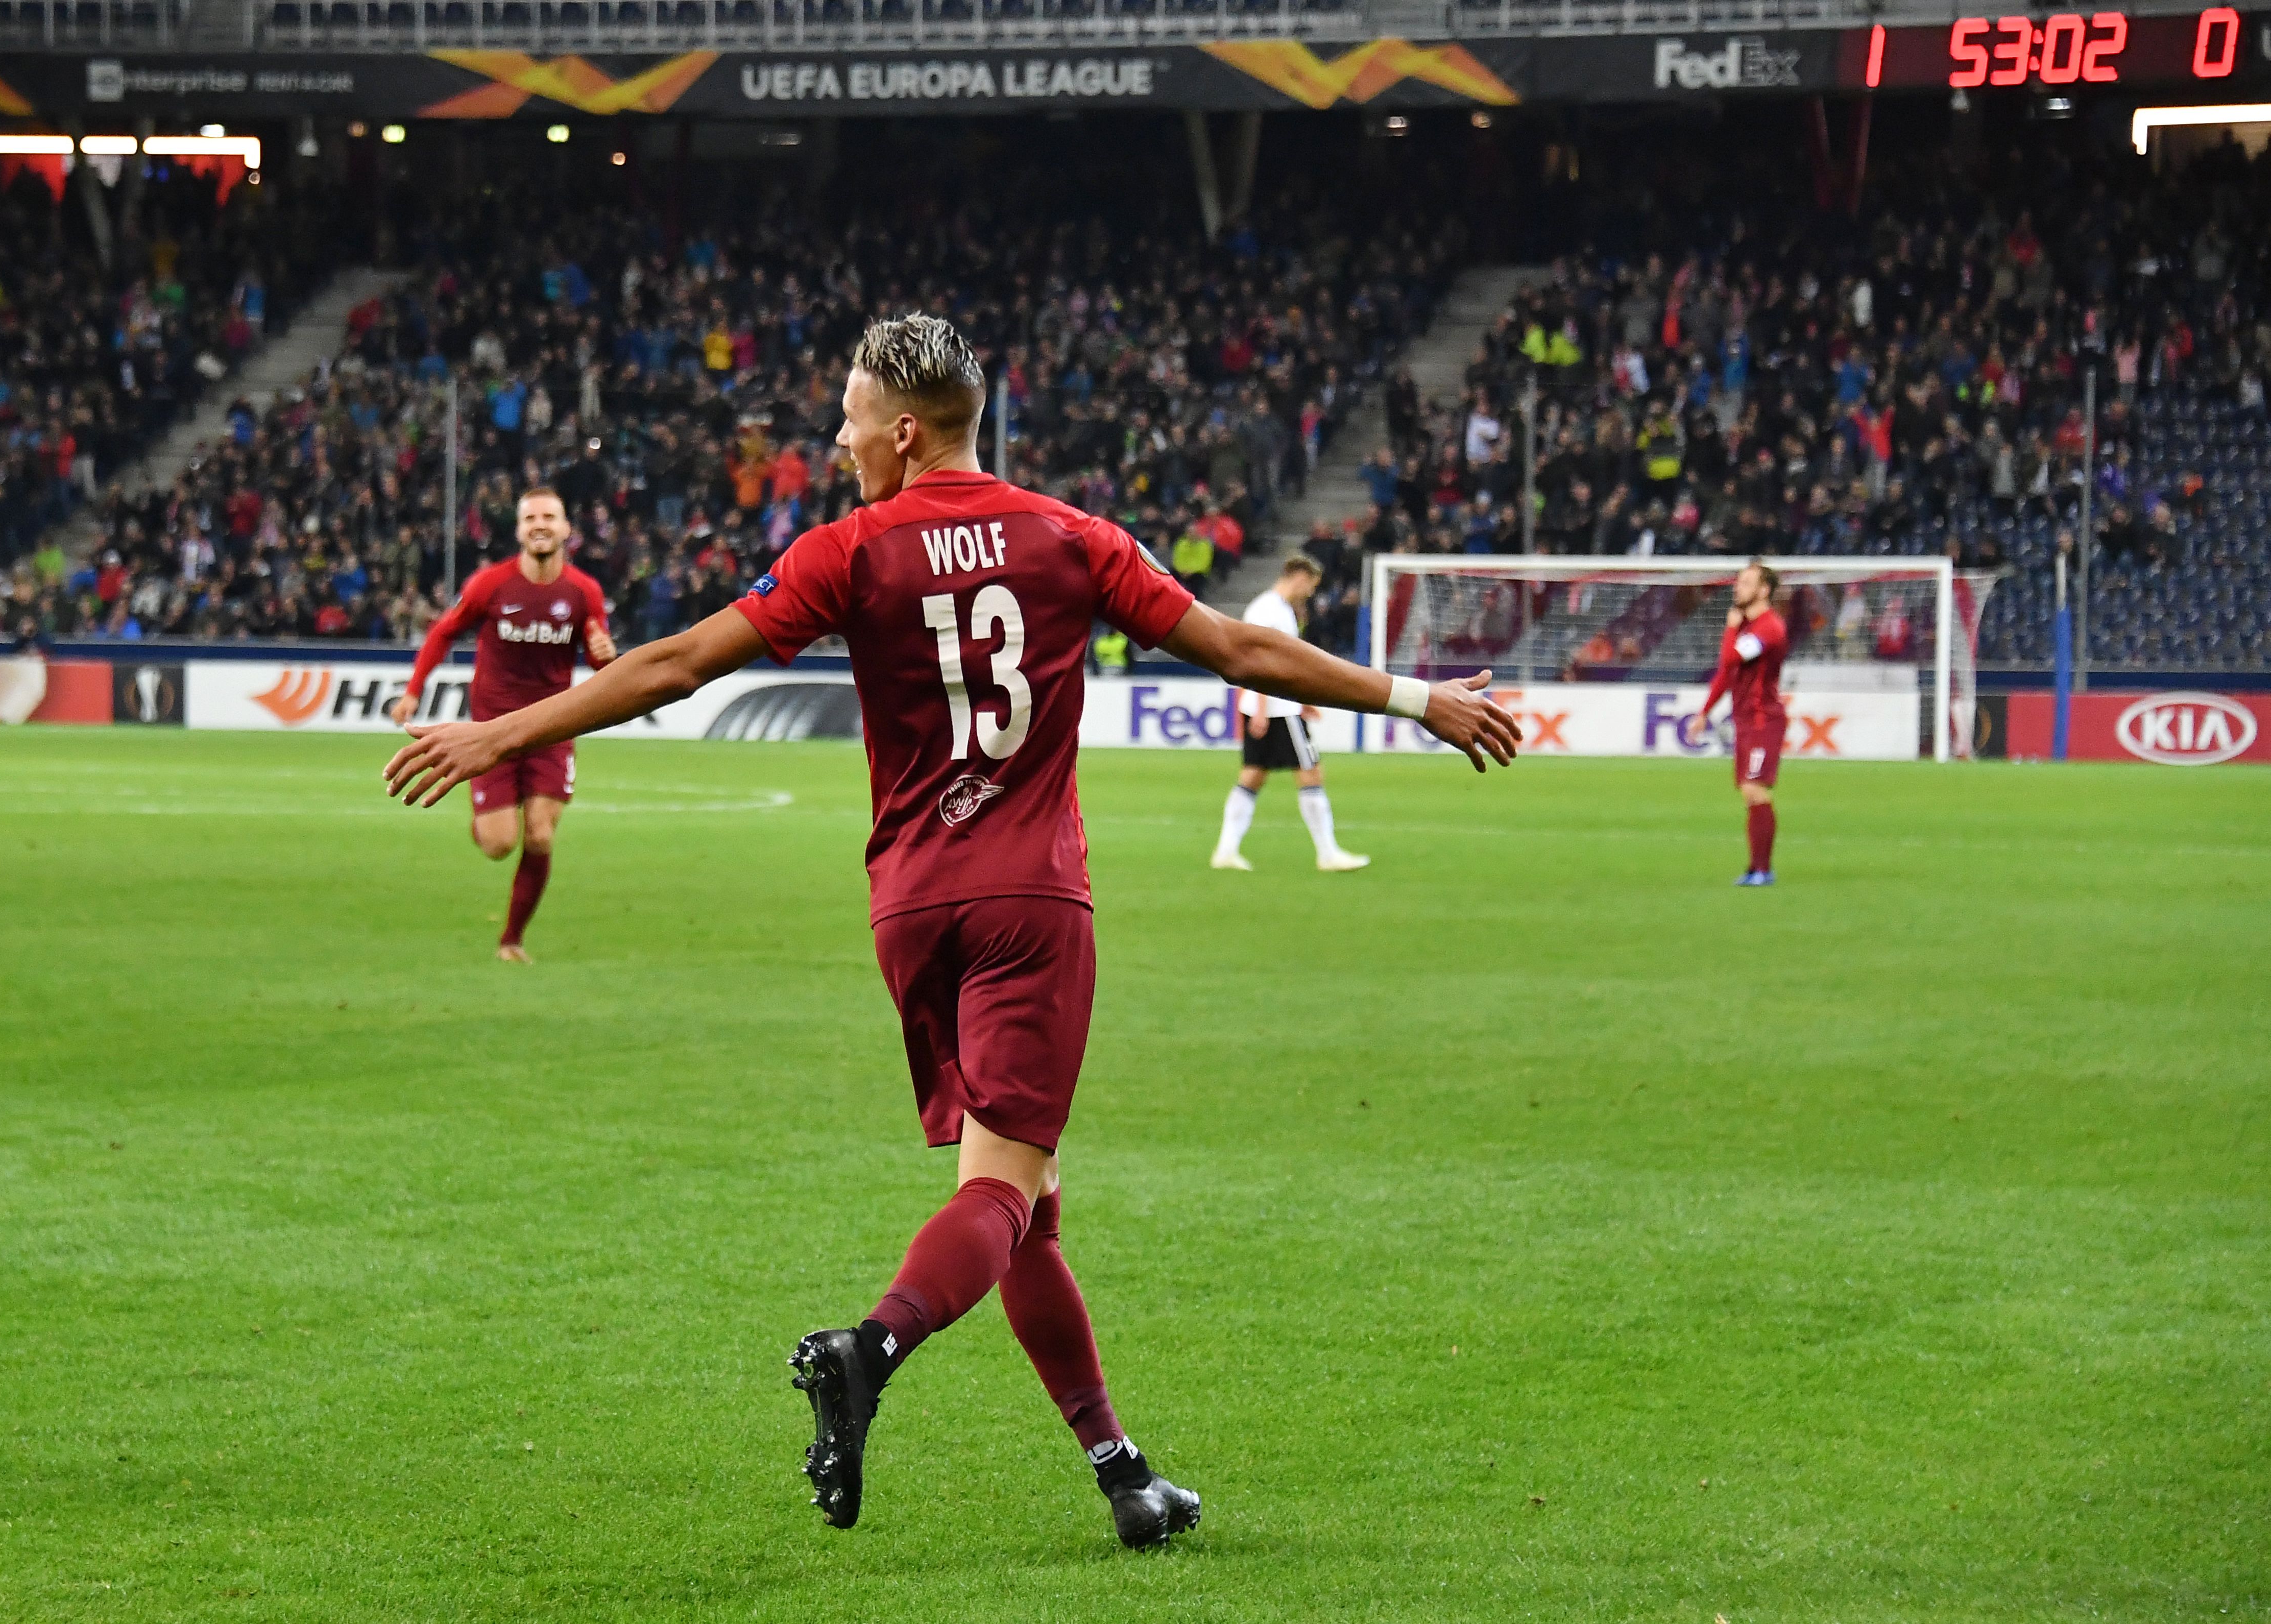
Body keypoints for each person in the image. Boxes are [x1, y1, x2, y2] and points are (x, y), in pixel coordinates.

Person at [384, 313, 1520, 1548]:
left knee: (1026, 1200)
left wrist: (500, 733)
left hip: (911, 905)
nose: (837, 438)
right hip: (1032, 900)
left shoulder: (847, 549)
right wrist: (1420, 698)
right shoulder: (1070, 537)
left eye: (851, 418)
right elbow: (1244, 647)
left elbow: (673, 664)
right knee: (1001, 1188)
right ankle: (866, 1349)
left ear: (906, 430)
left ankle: (1122, 1469)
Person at [391, 488, 616, 962]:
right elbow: (444, 631)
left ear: (566, 528)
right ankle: (483, 821)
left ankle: (511, 939)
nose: (540, 524)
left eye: (550, 517)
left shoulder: (584, 592)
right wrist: (414, 689)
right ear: (518, 530)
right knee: (498, 844)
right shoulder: (490, 585)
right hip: (492, 730)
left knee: (539, 834)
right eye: (531, 516)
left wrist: (604, 658)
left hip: (553, 728)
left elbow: (602, 666)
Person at [1211, 556, 1366, 872]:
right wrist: (1266, 711)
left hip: (1270, 706)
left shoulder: (1274, 609)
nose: (1310, 592)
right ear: (1299, 577)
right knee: (1311, 772)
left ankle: (1226, 851)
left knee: (1253, 775)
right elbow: (1261, 665)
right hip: (1276, 709)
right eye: (1311, 585)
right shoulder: (1269, 611)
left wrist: (1299, 700)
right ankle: (1328, 854)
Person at [1687, 559, 1790, 886]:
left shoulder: (1770, 628)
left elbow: (1730, 658)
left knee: (1754, 790)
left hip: (1764, 720)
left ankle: (1763, 870)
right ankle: (1756, 868)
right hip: (1746, 721)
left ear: (1764, 591)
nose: (1738, 587)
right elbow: (1726, 673)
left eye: (1746, 583)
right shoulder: (1748, 628)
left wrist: (1731, 627)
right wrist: (1705, 712)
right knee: (1749, 793)